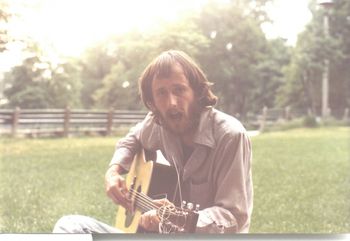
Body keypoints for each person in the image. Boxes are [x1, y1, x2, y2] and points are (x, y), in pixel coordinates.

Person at [53, 50, 253, 234]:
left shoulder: (230, 136)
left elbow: (233, 218)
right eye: (161, 93)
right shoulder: (158, 123)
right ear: (153, 101)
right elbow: (132, 138)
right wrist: (113, 171)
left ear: (197, 92)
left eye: (179, 90)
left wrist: (173, 218)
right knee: (70, 226)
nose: (171, 102)